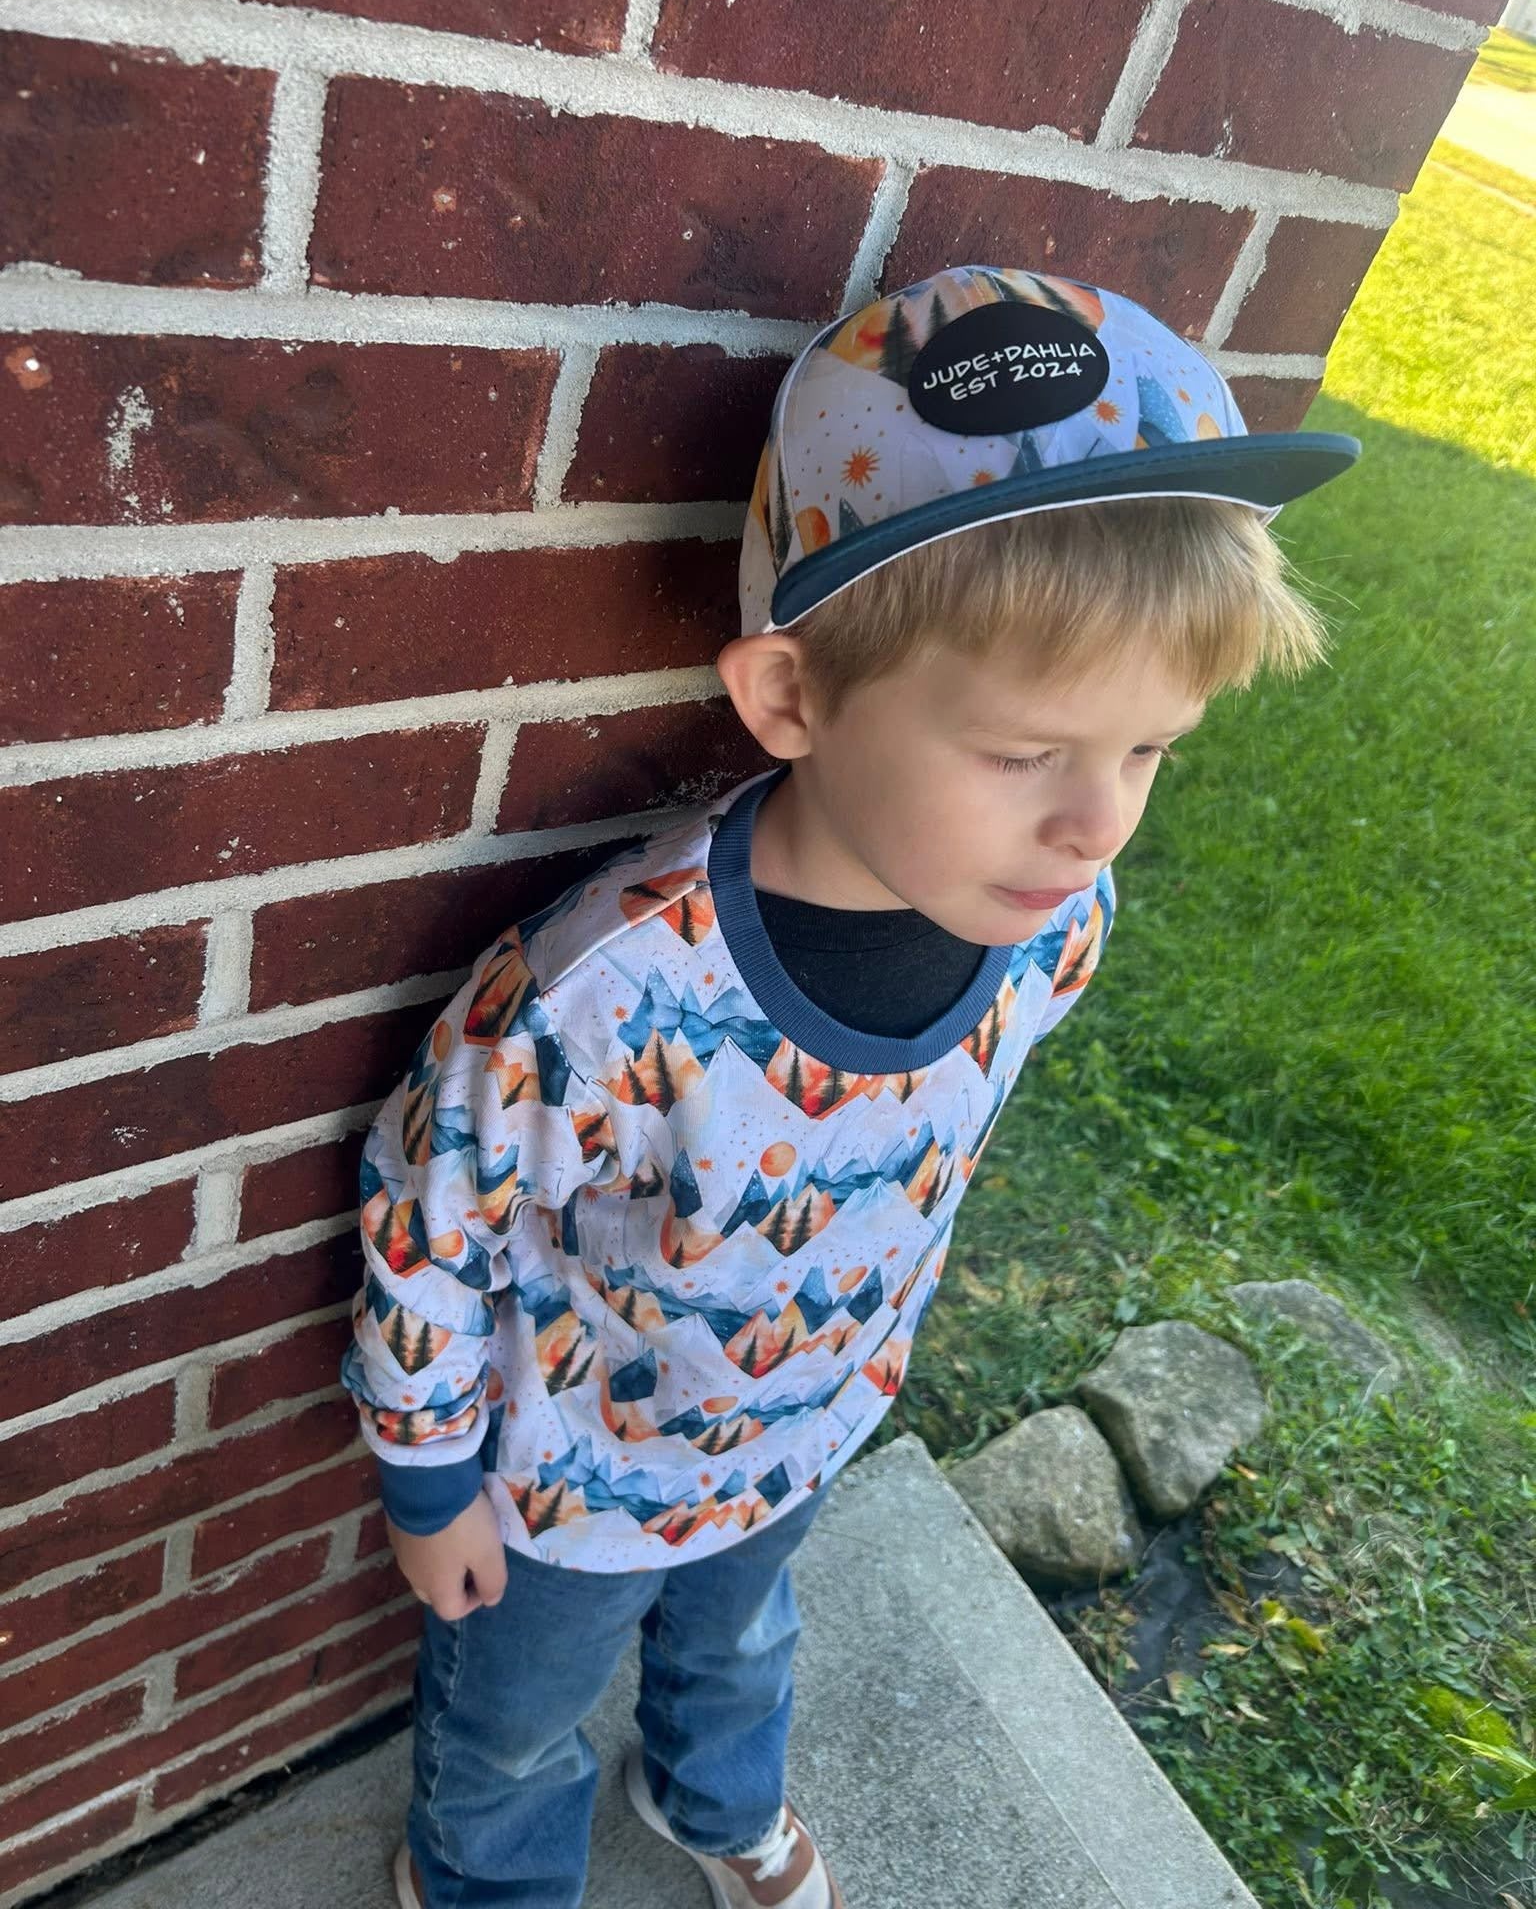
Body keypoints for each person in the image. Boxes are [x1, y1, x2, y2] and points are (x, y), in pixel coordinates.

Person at [339, 262, 1361, 1909]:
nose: (1099, 822)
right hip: (565, 1487)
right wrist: (428, 1478)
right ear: (793, 696)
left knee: (747, 1640)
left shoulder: (1052, 923)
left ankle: (712, 1796)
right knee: (513, 1726)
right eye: (1026, 753)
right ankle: (483, 1885)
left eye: (1150, 748)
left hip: (807, 1423)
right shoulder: (611, 996)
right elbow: (427, 1218)